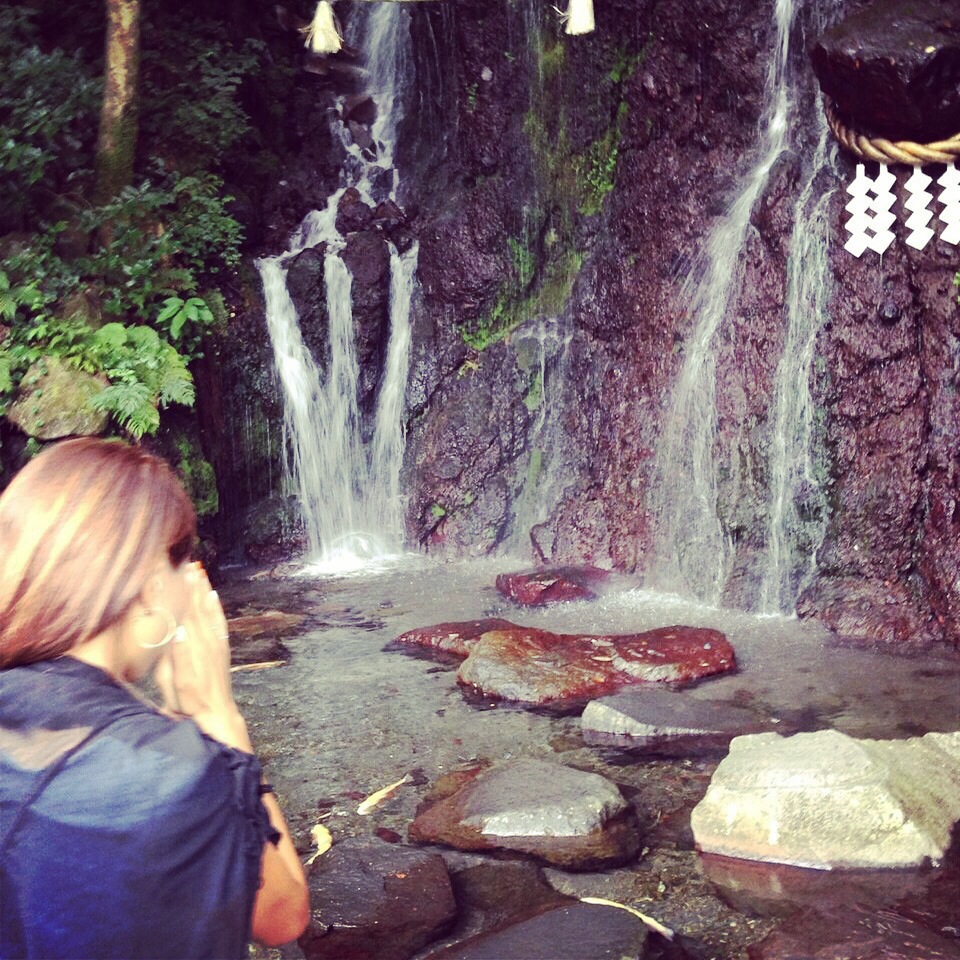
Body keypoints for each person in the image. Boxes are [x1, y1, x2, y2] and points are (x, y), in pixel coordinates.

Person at [0, 438, 310, 959]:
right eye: (181, 569)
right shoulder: (175, 773)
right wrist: (218, 717)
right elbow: (283, 915)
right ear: (148, 586)